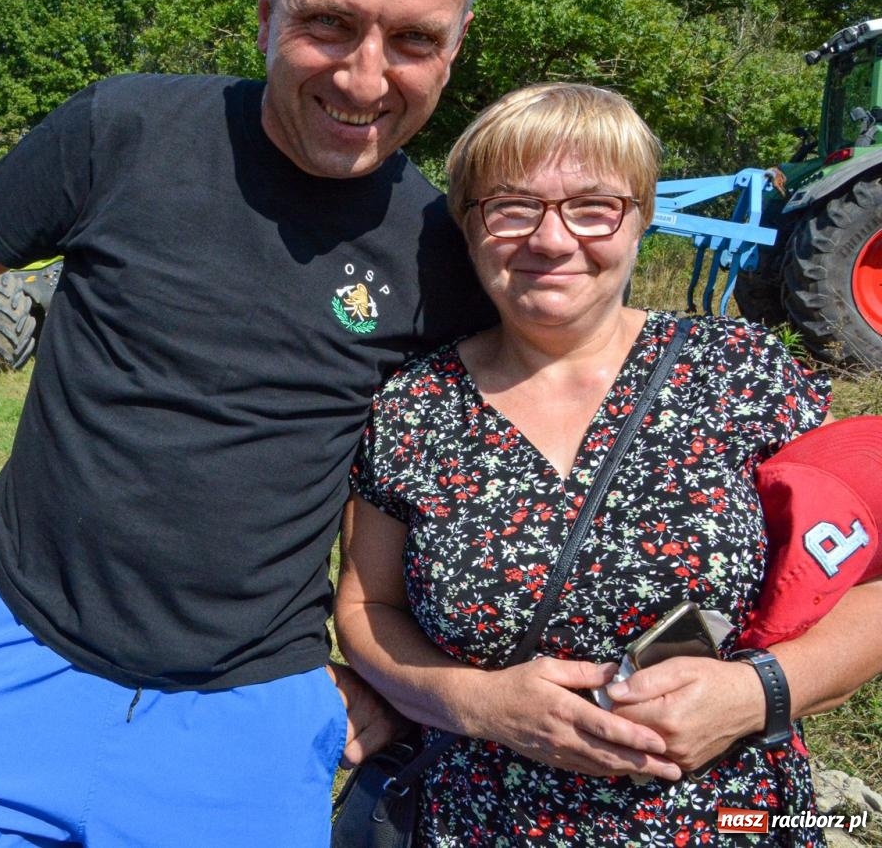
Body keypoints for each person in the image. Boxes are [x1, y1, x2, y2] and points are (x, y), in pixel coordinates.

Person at [0, 0, 491, 846]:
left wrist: (380, 671)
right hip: (14, 656)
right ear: (264, 4)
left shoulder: (441, 251)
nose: (363, 77)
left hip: (252, 713)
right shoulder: (122, 130)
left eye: (412, 39)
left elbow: (426, 495)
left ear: (455, 48)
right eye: (326, 22)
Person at [336, 82, 882, 845]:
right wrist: (476, 703)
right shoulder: (413, 408)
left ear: (642, 216)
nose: (552, 240)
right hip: (481, 821)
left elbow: (869, 585)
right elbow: (366, 611)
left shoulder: (745, 374)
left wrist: (757, 693)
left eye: (594, 207)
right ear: (468, 227)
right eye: (512, 207)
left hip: (730, 819)